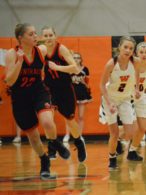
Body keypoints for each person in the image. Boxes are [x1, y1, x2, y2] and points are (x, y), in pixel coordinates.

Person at [5, 23, 60, 179]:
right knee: (34, 137)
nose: (36, 36)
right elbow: (9, 81)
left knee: (48, 122)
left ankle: (55, 145)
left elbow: (52, 47)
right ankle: (44, 160)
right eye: (31, 34)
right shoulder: (12, 54)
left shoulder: (40, 50)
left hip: (38, 92)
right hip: (20, 98)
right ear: (21, 38)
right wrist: (20, 62)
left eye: (36, 33)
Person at [41, 26, 87, 162]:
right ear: (41, 38)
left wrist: (57, 67)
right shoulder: (40, 51)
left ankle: (79, 143)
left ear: (55, 36)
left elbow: (75, 68)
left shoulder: (61, 49)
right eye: (46, 36)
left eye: (50, 35)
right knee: (48, 119)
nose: (48, 38)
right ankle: (52, 147)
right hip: (49, 89)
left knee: (70, 120)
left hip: (65, 88)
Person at [99, 36, 142, 170]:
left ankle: (116, 140)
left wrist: (136, 88)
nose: (128, 50)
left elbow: (137, 76)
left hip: (124, 99)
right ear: (119, 47)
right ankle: (112, 158)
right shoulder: (111, 64)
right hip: (110, 99)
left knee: (130, 133)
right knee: (114, 133)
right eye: (125, 47)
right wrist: (109, 103)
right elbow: (101, 85)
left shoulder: (135, 62)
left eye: (131, 48)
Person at [64, 52, 93, 143]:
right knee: (69, 116)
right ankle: (67, 135)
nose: (76, 59)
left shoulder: (85, 69)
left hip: (82, 94)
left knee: (80, 116)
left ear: (81, 59)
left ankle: (79, 136)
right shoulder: (68, 69)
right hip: (70, 94)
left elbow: (87, 82)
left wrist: (83, 84)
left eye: (78, 58)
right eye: (74, 58)